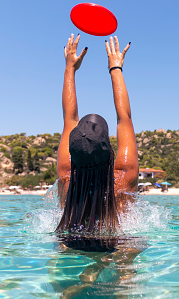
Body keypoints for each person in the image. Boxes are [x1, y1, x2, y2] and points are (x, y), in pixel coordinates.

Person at [55, 34, 138, 249]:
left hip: (70, 245)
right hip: (114, 247)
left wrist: (70, 69)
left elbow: (69, 119)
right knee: (131, 249)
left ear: (72, 153)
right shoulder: (123, 182)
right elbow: (124, 119)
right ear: (110, 152)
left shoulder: (66, 180)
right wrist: (115, 68)